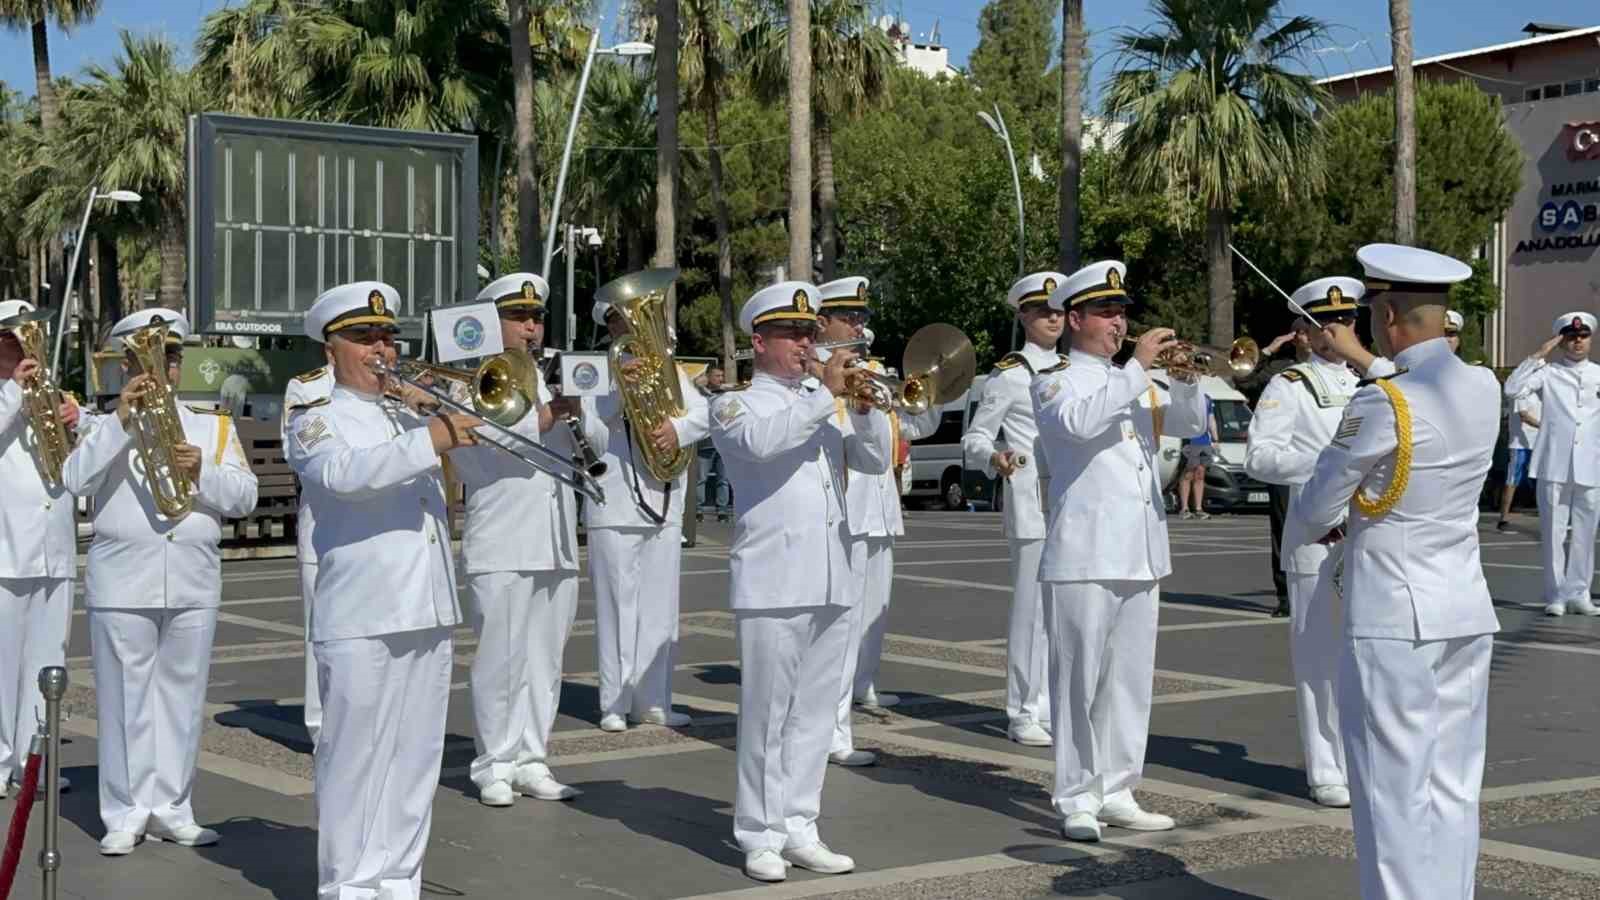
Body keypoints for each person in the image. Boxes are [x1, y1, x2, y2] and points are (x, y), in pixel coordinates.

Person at [1294, 243, 1500, 900]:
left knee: (1390, 788)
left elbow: (1313, 507)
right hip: (1464, 608)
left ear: (1385, 314)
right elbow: (1415, 383)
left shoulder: (1382, 402)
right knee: (1453, 784)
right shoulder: (1483, 385)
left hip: (1393, 619)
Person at [286, 282, 478, 898]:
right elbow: (346, 476)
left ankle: (398, 881)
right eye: (365, 337)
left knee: (415, 759)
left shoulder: (409, 412)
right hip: (362, 612)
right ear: (331, 347)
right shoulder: (315, 419)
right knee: (353, 761)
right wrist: (434, 435)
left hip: (426, 605)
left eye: (387, 336)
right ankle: (348, 886)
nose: (382, 348)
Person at [710, 281, 891, 882]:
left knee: (814, 712)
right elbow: (763, 445)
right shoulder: (738, 405)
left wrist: (863, 414)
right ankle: (759, 832)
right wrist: (826, 396)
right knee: (767, 713)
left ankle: (800, 825)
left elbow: (869, 462)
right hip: (773, 579)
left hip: (833, 574)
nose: (806, 343)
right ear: (759, 341)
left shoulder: (821, 401)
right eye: (792, 333)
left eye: (810, 332)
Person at [62, 308, 258, 855]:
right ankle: (124, 812)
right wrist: (122, 422)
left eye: (172, 355)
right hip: (124, 578)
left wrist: (204, 474)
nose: (167, 365)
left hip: (193, 579)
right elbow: (74, 480)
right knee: (124, 701)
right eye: (154, 355)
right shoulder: (105, 425)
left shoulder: (210, 423)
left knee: (182, 697)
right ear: (127, 364)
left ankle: (174, 807)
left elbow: (244, 499)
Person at [1032, 260, 1207, 842]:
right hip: (1084, 551)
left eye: (1123, 311)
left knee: (1130, 679)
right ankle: (1077, 794)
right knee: (1077, 680)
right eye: (1107, 312)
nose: (1118, 321)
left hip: (1140, 548)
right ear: (1075, 318)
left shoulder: (1137, 380)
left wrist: (1182, 376)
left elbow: (1189, 420)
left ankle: (1118, 787)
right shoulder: (1056, 380)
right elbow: (1079, 426)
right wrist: (1136, 369)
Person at [448, 273, 587, 806]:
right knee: (500, 659)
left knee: (545, 659)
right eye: (519, 317)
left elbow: (584, 448)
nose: (532, 327)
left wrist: (582, 412)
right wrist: (547, 416)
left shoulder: (549, 376)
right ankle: (493, 764)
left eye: (536, 317)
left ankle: (532, 757)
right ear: (491, 322)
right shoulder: (467, 384)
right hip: (502, 537)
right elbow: (481, 452)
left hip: (554, 538)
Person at [1243, 277, 1365, 809]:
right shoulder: (1289, 385)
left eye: (1346, 321)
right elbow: (1259, 457)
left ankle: (1360, 761)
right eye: (1325, 323)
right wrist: (1325, 468)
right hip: (1318, 538)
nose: (1337, 332)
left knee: (1364, 660)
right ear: (1304, 331)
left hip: (1372, 540)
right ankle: (1326, 769)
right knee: (1319, 659)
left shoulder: (1377, 383)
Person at [812, 277, 939, 768]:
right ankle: (834, 728)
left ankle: (860, 689)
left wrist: (933, 389)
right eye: (851, 318)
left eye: (862, 317)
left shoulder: (873, 372)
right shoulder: (818, 376)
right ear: (824, 323)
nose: (860, 326)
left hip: (881, 509)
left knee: (871, 615)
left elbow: (915, 426)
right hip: (844, 511)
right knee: (839, 627)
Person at [583, 286, 710, 732]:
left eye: (635, 318)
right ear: (610, 328)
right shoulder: (594, 376)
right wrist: (621, 393)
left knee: (660, 609)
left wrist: (676, 428)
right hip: (613, 506)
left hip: (663, 503)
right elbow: (593, 441)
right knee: (617, 608)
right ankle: (614, 703)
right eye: (621, 321)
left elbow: (705, 414)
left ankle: (654, 701)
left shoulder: (668, 369)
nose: (632, 327)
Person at [960, 270, 1069, 748]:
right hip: (1029, 502)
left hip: (1071, 502)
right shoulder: (1010, 375)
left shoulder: (1074, 368)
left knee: (1064, 612)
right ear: (1023, 316)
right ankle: (1023, 710)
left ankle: (1052, 704)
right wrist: (993, 457)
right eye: (1043, 310)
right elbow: (975, 437)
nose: (1053, 318)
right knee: (1031, 612)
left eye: (1060, 310)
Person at [0, 300, 86, 799]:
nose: (25, 347)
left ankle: (34, 761)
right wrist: (16, 392)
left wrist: (76, 422)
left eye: (29, 337)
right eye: (14, 339)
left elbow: (76, 464)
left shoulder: (52, 395)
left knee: (47, 665)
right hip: (7, 549)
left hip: (54, 548)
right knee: (3, 662)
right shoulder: (9, 395)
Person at [1502, 311, 1600, 617]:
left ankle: (1580, 593)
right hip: (1554, 462)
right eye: (1571, 338)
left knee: (1586, 532)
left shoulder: (1598, 374)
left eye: (1583, 336)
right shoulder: (1548, 372)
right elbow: (1512, 390)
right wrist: (1538, 355)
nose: (1577, 342)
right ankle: (1556, 594)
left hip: (1591, 463)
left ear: (1591, 338)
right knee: (1554, 531)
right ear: (1561, 341)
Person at [282, 361, 334, 747]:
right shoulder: (306, 388)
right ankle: (323, 730)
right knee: (321, 636)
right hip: (322, 533)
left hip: (379, 540)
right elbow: (295, 449)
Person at [1497, 389, 1541, 533]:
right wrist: (1544, 426)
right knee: (1512, 480)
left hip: (1538, 442)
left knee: (1543, 480)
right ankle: (1503, 519)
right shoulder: (1520, 391)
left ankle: (1549, 516)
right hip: (1520, 444)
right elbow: (1524, 416)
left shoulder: (1542, 391)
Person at [1176, 397, 1218, 519]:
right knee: (1188, 474)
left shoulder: (1207, 399)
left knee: (1200, 474)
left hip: (1204, 441)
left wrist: (1215, 439)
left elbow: (1211, 419)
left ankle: (1198, 508)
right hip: (1189, 439)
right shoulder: (1186, 397)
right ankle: (1184, 508)